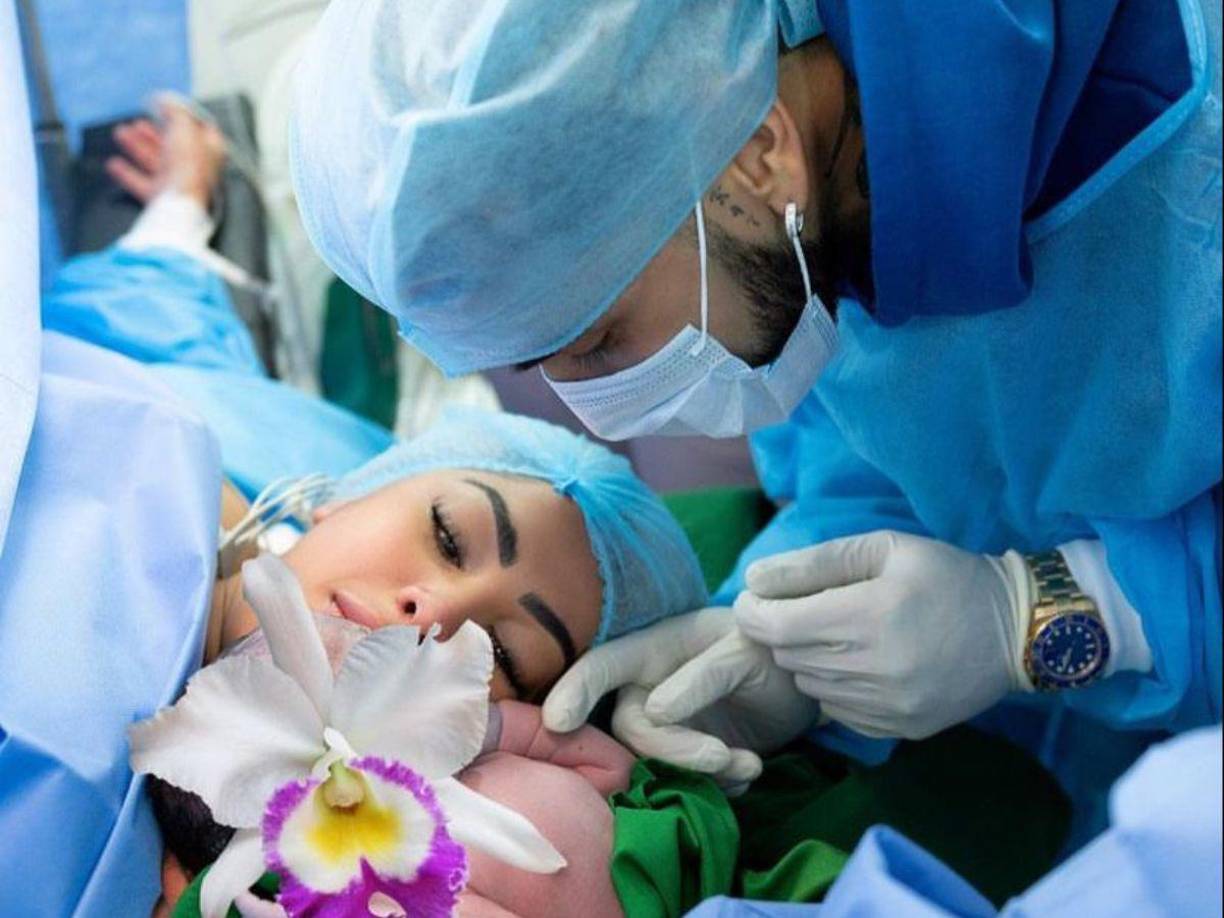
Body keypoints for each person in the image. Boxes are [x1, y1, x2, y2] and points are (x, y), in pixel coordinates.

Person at [289, 0, 1222, 784]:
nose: (604, 406)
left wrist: (1067, 611)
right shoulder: (806, 230)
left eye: (602, 339)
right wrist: (781, 648)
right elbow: (892, 470)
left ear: (758, 152)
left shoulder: (1186, 168)